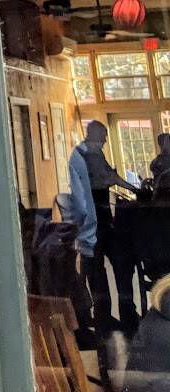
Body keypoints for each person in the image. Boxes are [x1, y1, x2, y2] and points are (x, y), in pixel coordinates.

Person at [71, 121, 139, 334]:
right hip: (95, 221)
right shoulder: (89, 154)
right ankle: (111, 317)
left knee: (101, 269)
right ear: (95, 134)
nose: (106, 139)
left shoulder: (88, 153)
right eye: (103, 135)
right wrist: (134, 189)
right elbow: (109, 177)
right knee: (102, 269)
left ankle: (110, 316)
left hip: (96, 220)